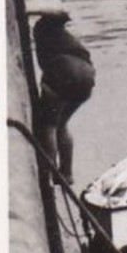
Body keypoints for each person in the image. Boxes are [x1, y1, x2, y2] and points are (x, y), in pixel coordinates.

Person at [31, 11, 95, 184]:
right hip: (87, 75)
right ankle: (66, 173)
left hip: (63, 70)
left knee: (49, 126)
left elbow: (62, 12)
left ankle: (48, 175)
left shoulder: (45, 28)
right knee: (62, 125)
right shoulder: (64, 36)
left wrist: (29, 11)